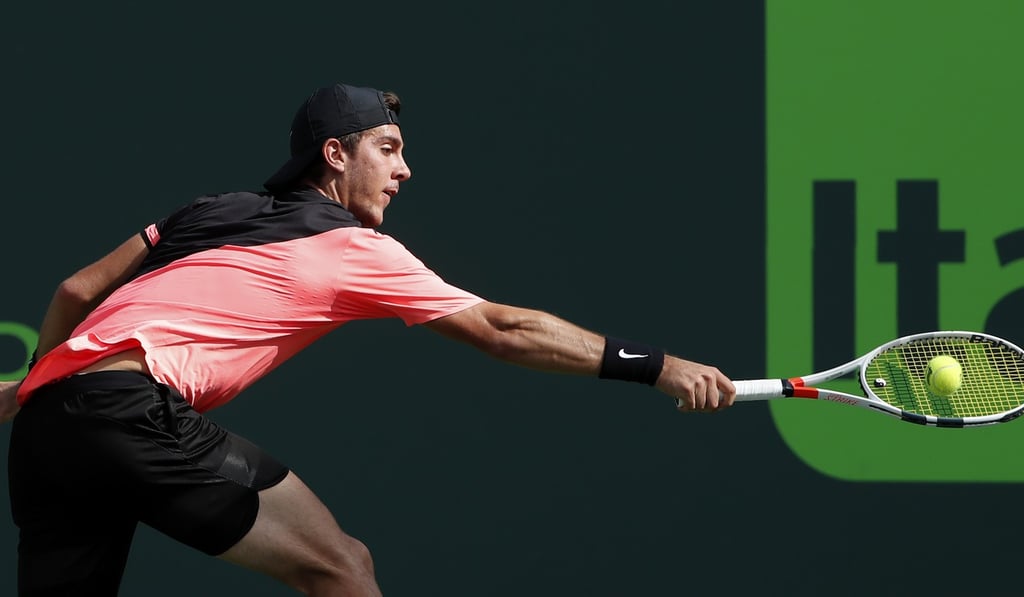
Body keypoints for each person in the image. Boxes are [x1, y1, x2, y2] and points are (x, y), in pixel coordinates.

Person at [2, 82, 736, 596]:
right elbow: (502, 329)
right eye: (388, 149)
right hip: (133, 412)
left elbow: (76, 291)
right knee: (343, 568)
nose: (404, 170)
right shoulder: (354, 247)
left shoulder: (209, 209)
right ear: (335, 155)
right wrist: (658, 366)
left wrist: (32, 383)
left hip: (44, 430)